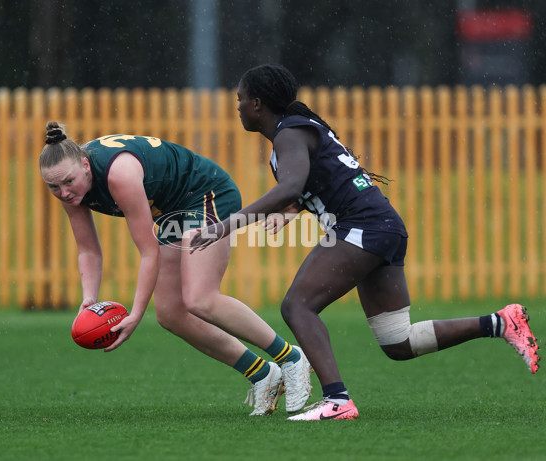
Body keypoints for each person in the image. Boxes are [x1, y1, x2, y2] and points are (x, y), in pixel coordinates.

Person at [190, 64, 540, 421]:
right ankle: (500, 322)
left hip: (363, 226)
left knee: (297, 305)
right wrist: (291, 210)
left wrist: (227, 226)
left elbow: (292, 186)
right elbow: (315, 182)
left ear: (258, 104)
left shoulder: (288, 133)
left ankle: (337, 401)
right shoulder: (294, 132)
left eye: (241, 99)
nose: (238, 107)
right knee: (398, 342)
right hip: (381, 226)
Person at [39, 121, 314, 416]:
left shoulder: (119, 175)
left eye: (68, 182)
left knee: (200, 298)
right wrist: (89, 298)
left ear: (85, 164)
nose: (64, 192)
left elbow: (148, 253)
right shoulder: (71, 183)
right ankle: (262, 374)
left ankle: (291, 357)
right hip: (174, 210)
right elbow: (88, 249)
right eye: (53, 186)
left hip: (207, 194)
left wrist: (135, 314)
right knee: (171, 314)